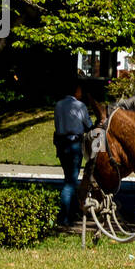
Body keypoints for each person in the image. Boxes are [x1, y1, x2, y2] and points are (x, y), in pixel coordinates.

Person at [55, 80, 93, 225]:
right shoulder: (79, 106)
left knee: (68, 178)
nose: (81, 93)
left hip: (61, 144)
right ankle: (65, 216)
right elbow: (88, 124)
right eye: (80, 90)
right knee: (71, 181)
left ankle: (71, 212)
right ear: (76, 91)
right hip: (74, 143)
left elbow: (57, 125)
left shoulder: (58, 105)